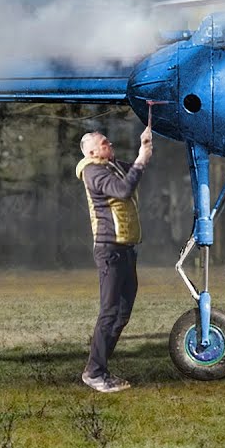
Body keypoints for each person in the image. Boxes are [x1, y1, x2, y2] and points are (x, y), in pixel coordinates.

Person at [75, 126, 153, 393]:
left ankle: (100, 368)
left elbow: (132, 171)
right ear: (92, 151)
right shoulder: (93, 171)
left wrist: (144, 147)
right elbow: (123, 190)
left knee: (122, 313)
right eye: (104, 142)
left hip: (125, 249)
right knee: (109, 312)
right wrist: (142, 159)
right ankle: (94, 373)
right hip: (110, 250)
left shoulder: (109, 164)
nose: (110, 143)